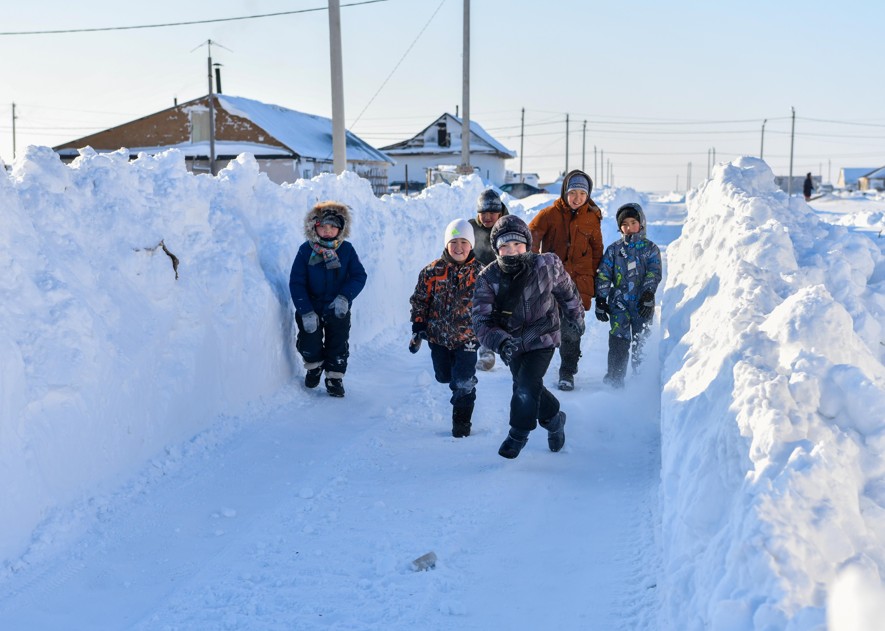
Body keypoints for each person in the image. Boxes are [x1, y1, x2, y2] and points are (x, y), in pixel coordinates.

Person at [472, 215, 585, 459]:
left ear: (528, 244)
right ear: (496, 249)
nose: (512, 251)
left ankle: (518, 434)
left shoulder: (546, 265)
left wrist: (576, 317)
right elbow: (481, 320)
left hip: (542, 335)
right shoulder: (488, 278)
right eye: (505, 246)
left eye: (517, 244)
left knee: (524, 384)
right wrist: (500, 341)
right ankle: (555, 419)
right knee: (529, 385)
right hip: (511, 343)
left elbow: (567, 292)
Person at [527, 169, 603, 391]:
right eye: (573, 193)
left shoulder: (592, 218)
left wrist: (597, 280)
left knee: (572, 328)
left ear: (587, 195)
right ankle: (536, 368)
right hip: (551, 282)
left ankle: (567, 371)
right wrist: (532, 263)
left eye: (582, 193)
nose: (577, 198)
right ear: (564, 192)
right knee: (545, 326)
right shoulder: (549, 214)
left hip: (579, 284)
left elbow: (597, 251)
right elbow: (531, 236)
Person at [409, 218, 483, 437]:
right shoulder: (431, 272)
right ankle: (460, 384)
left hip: (469, 337)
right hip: (438, 336)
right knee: (443, 376)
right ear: (446, 244)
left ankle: (461, 423)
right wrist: (418, 326)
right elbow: (420, 301)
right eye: (454, 242)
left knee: (463, 381)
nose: (458, 247)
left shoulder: (482, 273)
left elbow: (489, 304)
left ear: (471, 245)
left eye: (463, 242)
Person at [289, 201, 368, 397]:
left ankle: (334, 377)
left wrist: (344, 297)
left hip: (337, 307)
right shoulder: (305, 251)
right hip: (311, 306)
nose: (327, 231)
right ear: (314, 227)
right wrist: (305, 310)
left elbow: (359, 276)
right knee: (309, 341)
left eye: (332, 226)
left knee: (338, 343)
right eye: (323, 226)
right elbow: (296, 282)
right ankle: (314, 367)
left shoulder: (346, 250)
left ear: (341, 228)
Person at [594, 202, 662, 388]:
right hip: (619, 304)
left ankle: (641, 382)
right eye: (624, 224)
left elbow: (654, 272)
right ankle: (614, 381)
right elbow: (604, 274)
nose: (629, 227)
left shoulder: (651, 249)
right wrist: (601, 298)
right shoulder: (614, 250)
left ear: (641, 223)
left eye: (633, 222)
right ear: (619, 227)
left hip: (643, 304)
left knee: (642, 342)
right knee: (619, 341)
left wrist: (648, 294)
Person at [469, 189, 509, 371]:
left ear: (499, 213)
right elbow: (454, 241)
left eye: (492, 213)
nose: (487, 217)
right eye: (483, 213)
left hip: (500, 280)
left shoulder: (508, 227)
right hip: (473, 279)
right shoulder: (469, 227)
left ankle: (494, 349)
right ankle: (476, 351)